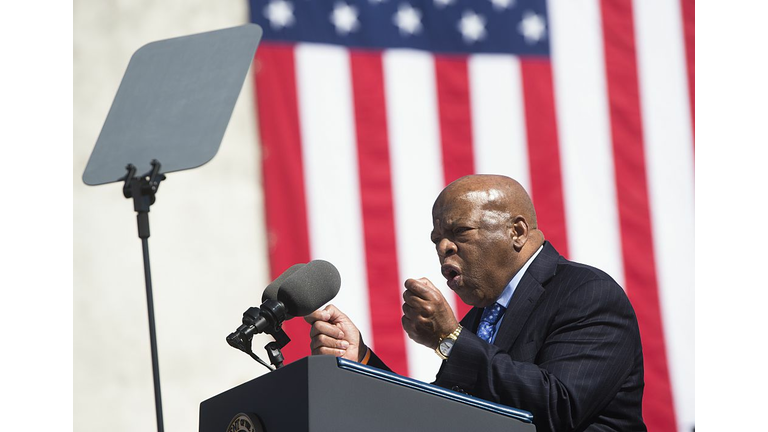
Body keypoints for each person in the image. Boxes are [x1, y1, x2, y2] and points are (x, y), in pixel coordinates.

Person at [305, 174, 646, 432]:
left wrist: (449, 339)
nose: (444, 248)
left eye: (460, 232)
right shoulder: (478, 321)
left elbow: (558, 408)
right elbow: (432, 418)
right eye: (437, 239)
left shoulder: (586, 293)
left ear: (517, 231)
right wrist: (361, 360)